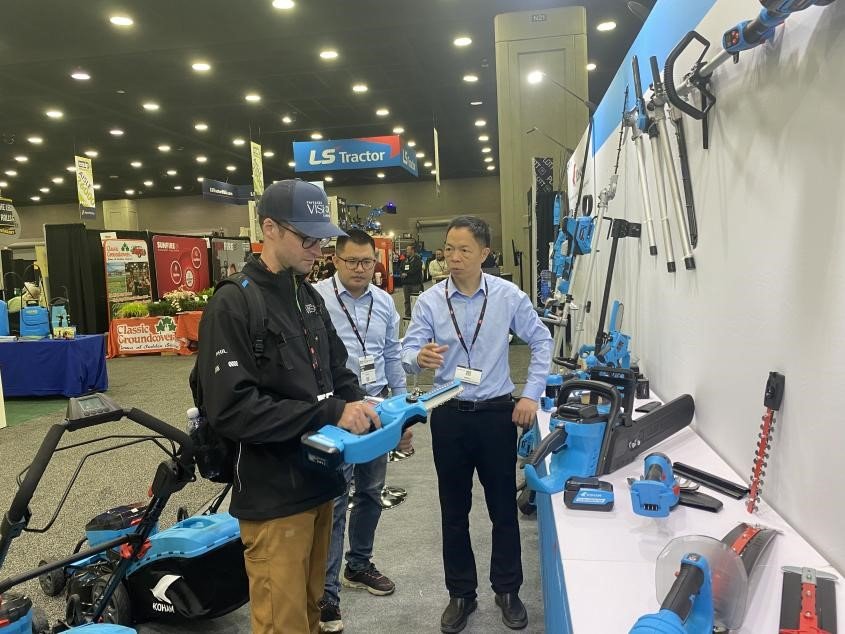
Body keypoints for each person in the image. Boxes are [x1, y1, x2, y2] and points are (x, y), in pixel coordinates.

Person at [195, 179, 382, 634]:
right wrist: (330, 414)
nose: (318, 249)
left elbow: (337, 371)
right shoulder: (233, 303)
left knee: (312, 612)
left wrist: (370, 413)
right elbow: (232, 409)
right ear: (270, 229)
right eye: (307, 238)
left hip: (320, 484)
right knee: (283, 623)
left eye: (321, 239)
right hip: (273, 497)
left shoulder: (308, 296)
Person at [401, 215, 553, 634]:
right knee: (453, 510)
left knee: (503, 507)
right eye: (449, 249)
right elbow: (407, 352)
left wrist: (530, 394)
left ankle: (507, 589)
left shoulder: (507, 296)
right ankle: (461, 593)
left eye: (464, 249)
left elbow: (542, 341)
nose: (453, 257)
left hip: (495, 415)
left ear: (484, 253)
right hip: (448, 414)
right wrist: (418, 358)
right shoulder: (430, 301)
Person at [313, 229, 411, 633]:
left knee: (371, 492)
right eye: (351, 261)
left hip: (378, 409)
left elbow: (392, 355)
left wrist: (402, 410)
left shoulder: (384, 301)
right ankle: (326, 595)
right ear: (335, 261)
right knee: (334, 502)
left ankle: (359, 564)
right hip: (336, 412)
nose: (359, 269)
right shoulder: (316, 298)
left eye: (367, 262)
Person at [400, 243, 423, 318]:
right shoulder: (404, 260)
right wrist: (402, 273)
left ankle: (417, 316)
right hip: (406, 284)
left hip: (415, 284)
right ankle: (408, 316)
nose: (406, 251)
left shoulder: (418, 260)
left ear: (412, 250)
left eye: (408, 250)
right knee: (407, 301)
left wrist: (406, 273)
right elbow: (401, 268)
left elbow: (415, 270)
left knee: (415, 300)